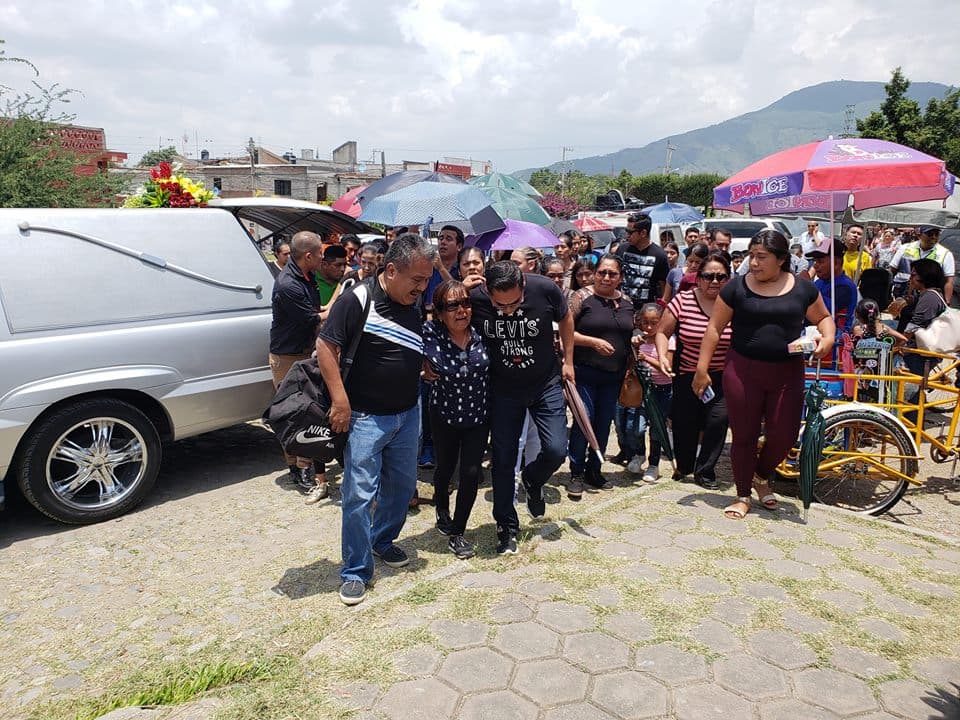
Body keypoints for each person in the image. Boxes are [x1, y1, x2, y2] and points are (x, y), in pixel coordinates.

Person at [316, 233, 437, 606]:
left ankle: (382, 540)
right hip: (366, 418)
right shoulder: (358, 299)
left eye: (426, 281)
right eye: (416, 280)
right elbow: (325, 346)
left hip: (407, 414)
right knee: (358, 495)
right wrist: (340, 400)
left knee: (402, 489)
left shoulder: (412, 303)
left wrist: (422, 364)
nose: (422, 288)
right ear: (391, 270)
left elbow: (403, 344)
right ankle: (355, 570)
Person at [695, 230, 835, 520]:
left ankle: (761, 475)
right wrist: (702, 369)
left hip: (788, 372)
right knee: (744, 435)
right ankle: (743, 493)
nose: (754, 263)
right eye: (751, 256)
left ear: (781, 260)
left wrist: (828, 338)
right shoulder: (735, 288)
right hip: (742, 370)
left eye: (761, 257)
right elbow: (714, 328)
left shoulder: (803, 288)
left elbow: (822, 318)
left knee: (783, 435)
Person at [470, 261, 574, 554]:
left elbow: (566, 320)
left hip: (545, 383)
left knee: (556, 450)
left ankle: (533, 478)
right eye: (499, 305)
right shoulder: (475, 298)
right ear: (487, 291)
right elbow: (441, 307)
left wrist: (568, 360)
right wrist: (456, 286)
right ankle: (506, 526)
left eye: (514, 303)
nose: (508, 310)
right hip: (502, 390)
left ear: (523, 287)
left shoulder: (545, 288)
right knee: (503, 460)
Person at [422, 280, 490, 559]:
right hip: (444, 415)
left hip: (478, 415)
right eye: (452, 306)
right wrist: (421, 367)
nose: (462, 310)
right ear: (439, 312)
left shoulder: (482, 333)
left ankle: (457, 532)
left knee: (471, 473)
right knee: (445, 468)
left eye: (466, 303)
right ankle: (441, 508)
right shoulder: (429, 333)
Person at [656, 253, 732, 489]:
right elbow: (662, 332)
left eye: (721, 276)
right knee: (684, 423)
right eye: (709, 276)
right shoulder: (683, 300)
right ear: (698, 279)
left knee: (718, 421)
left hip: (721, 375)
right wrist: (661, 356)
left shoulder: (734, 304)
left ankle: (706, 470)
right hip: (687, 374)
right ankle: (685, 465)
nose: (715, 281)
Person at [566, 255, 634, 498]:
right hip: (584, 372)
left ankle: (595, 469)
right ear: (595, 273)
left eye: (612, 274)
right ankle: (576, 472)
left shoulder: (626, 301)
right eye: (602, 272)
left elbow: (627, 334)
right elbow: (564, 332)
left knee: (604, 424)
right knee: (584, 422)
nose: (606, 277)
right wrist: (592, 342)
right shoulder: (581, 297)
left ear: (620, 277)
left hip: (613, 375)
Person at [268, 231, 329, 502]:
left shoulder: (307, 276)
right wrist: (345, 302)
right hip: (287, 357)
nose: (322, 258)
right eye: (319, 254)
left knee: (310, 413)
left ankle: (304, 465)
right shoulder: (287, 284)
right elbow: (313, 317)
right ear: (308, 256)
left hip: (304, 351)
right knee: (291, 414)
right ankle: (296, 468)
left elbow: (318, 308)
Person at [630, 303, 674, 482]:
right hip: (642, 390)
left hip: (662, 390)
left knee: (656, 430)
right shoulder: (638, 339)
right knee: (638, 427)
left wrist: (646, 357)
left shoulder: (669, 340)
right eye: (645, 322)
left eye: (654, 322)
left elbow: (668, 368)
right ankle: (639, 454)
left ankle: (653, 465)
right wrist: (633, 348)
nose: (649, 327)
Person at [807, 238, 858, 336]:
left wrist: (804, 286)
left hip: (834, 344)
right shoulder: (819, 282)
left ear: (836, 263)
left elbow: (820, 314)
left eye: (820, 261)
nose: (815, 266)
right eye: (815, 261)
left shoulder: (844, 287)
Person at [616, 213, 669, 307]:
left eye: (630, 232)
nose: (627, 235)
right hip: (621, 307)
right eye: (626, 231)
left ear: (643, 233)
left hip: (646, 311)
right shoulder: (622, 249)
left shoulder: (660, 255)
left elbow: (664, 286)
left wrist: (661, 308)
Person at [891, 225, 955, 303]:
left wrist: (947, 302)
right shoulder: (905, 248)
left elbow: (949, 281)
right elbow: (892, 271)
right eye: (930, 234)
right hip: (903, 295)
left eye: (936, 234)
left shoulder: (945, 254)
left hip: (928, 299)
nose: (933, 237)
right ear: (919, 235)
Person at [314, 244, 348, 323]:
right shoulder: (311, 280)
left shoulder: (347, 282)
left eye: (345, 265)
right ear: (325, 264)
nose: (343, 269)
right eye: (338, 265)